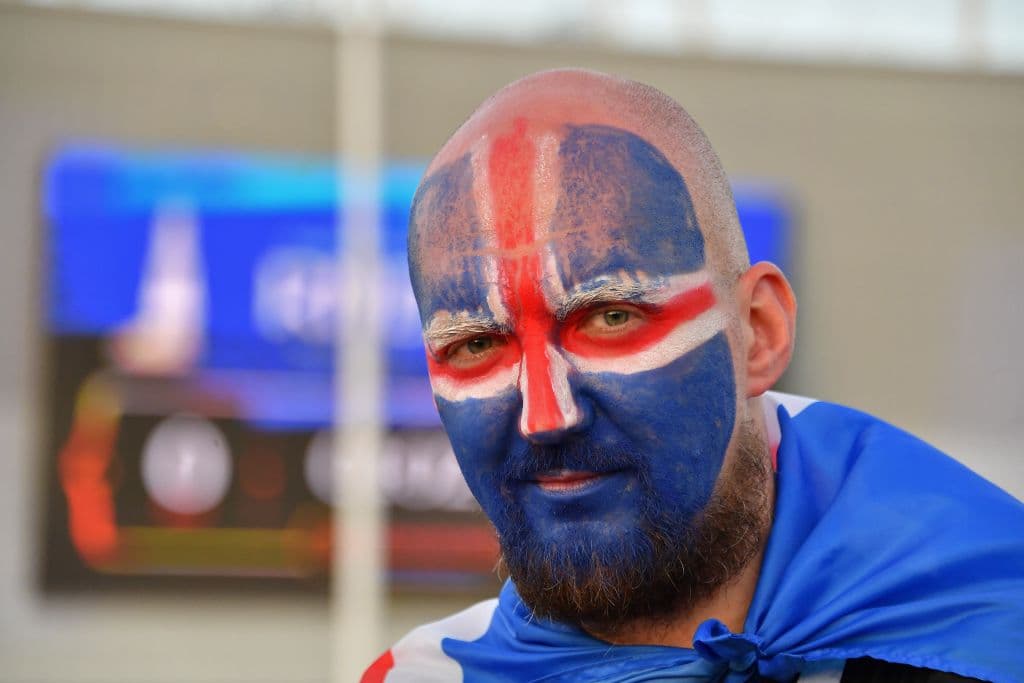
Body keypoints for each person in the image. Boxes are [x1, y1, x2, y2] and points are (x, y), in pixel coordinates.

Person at [362, 69, 1024, 682]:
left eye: (610, 315)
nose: (546, 414)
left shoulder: (990, 636)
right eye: (477, 341)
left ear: (759, 332)